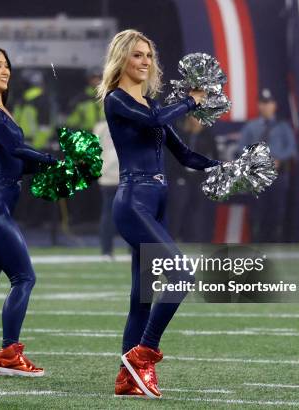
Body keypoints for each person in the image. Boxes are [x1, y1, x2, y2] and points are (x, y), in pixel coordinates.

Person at [98, 29, 217, 399]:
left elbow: (185, 155)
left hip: (157, 201)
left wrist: (226, 168)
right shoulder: (117, 100)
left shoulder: (150, 104)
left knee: (142, 298)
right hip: (134, 200)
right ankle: (144, 354)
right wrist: (191, 101)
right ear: (121, 59)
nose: (145, 62)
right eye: (137, 55)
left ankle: (127, 378)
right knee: (182, 275)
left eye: (148, 56)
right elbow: (154, 123)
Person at [0, 45, 56, 376]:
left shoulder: (0, 109)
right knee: (24, 277)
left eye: (7, 65)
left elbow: (15, 162)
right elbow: (17, 148)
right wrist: (53, 159)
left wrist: (56, 170)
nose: (5, 71)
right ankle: (10, 354)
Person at [236, 88, 297, 242]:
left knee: (277, 212)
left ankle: (275, 244)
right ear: (258, 106)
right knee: (258, 212)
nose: (266, 107)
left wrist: (279, 159)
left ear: (274, 105)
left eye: (268, 103)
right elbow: (241, 148)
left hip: (278, 175)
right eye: (262, 103)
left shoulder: (283, 127)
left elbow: (291, 149)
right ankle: (257, 243)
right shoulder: (251, 127)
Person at [166, 115, 218, 242]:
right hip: (181, 178)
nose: (197, 120)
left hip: (199, 179)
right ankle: (171, 240)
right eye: (194, 117)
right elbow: (172, 160)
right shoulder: (180, 135)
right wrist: (184, 174)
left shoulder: (208, 137)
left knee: (198, 211)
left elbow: (213, 159)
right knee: (177, 208)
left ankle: (195, 240)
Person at [95, 119, 118, 257]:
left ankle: (106, 250)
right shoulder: (131, 121)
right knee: (132, 214)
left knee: (107, 213)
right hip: (126, 175)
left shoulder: (101, 126)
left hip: (107, 175)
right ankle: (133, 250)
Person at [66, 67, 105, 132]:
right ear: (89, 80)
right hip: (87, 135)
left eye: (99, 78)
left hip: (106, 135)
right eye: (93, 78)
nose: (96, 81)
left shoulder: (110, 97)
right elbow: (72, 121)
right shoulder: (81, 99)